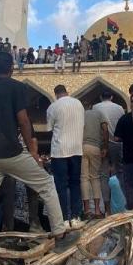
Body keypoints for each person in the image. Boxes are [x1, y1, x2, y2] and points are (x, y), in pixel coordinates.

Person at [0, 51, 67, 265]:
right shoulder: (16, 87)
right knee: (46, 184)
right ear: (11, 68)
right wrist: (32, 152)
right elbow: (23, 120)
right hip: (11, 152)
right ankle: (60, 233)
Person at [45, 85, 84, 224]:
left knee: (61, 186)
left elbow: (49, 129)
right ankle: (76, 216)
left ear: (56, 94)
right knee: (75, 183)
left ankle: (64, 218)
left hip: (59, 151)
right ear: (67, 92)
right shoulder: (78, 103)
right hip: (76, 149)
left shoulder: (53, 107)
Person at [94, 91, 125, 193]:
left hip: (102, 143)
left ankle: (105, 202)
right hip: (117, 143)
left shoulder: (95, 107)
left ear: (100, 97)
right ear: (111, 97)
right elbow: (122, 123)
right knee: (119, 171)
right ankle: (119, 199)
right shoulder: (119, 108)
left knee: (104, 173)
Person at [81, 106, 108, 218]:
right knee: (95, 178)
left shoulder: (81, 114)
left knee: (84, 178)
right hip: (95, 147)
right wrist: (105, 146)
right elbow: (105, 129)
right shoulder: (99, 113)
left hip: (82, 147)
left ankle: (87, 210)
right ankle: (97, 210)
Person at [114, 110, 133, 210]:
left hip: (128, 154)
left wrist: (125, 138)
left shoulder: (124, 118)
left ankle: (131, 207)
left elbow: (116, 138)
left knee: (129, 184)